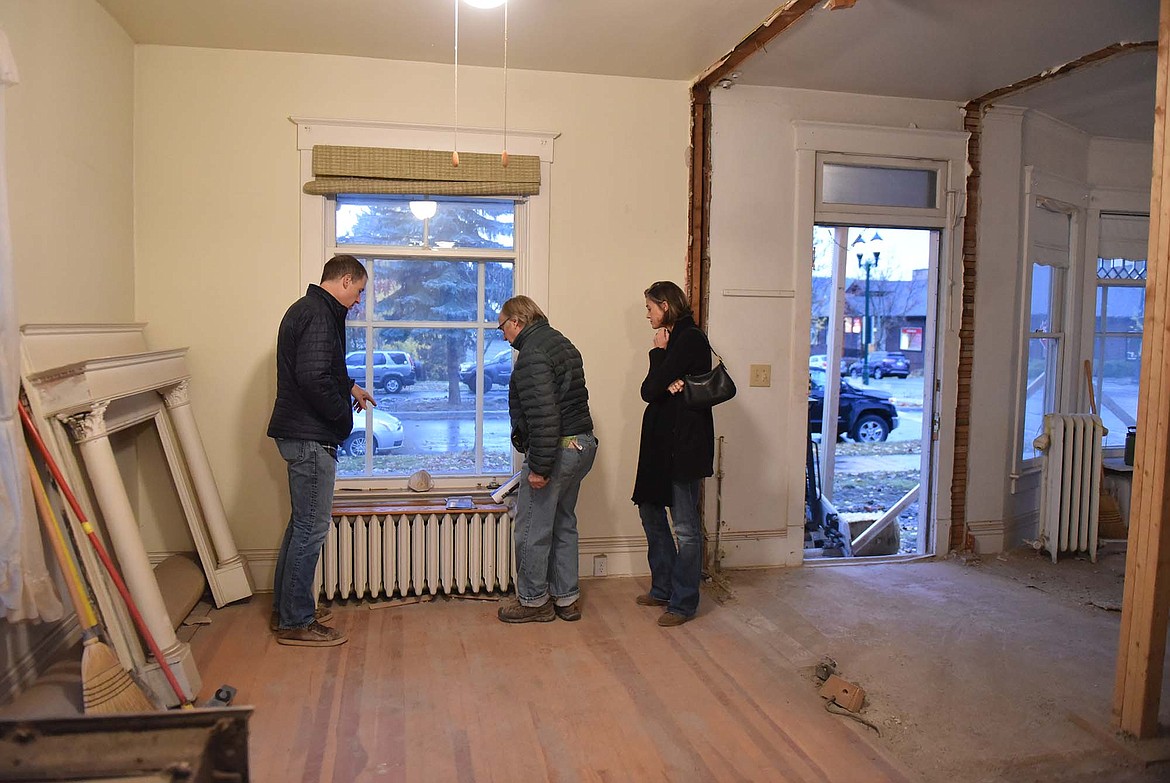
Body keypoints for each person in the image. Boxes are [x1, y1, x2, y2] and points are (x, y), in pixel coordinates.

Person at [266, 254, 375, 646]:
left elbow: (325, 368)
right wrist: (342, 418)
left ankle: (286, 610)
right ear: (345, 281)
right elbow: (313, 378)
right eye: (359, 291)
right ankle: (297, 621)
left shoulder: (314, 310)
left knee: (301, 525)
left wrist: (351, 388)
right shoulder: (317, 314)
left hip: (300, 434)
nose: (359, 301)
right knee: (311, 529)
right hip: (310, 437)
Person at [496, 295, 597, 623]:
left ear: (516, 321)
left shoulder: (532, 355)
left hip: (558, 450)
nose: (503, 335)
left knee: (531, 528)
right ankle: (566, 599)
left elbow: (544, 415)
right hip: (582, 445)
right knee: (564, 522)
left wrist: (539, 467)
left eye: (503, 327)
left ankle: (533, 601)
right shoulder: (561, 343)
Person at [632, 281, 714, 627]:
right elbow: (655, 389)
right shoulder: (674, 340)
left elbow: (649, 389)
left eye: (650, 307)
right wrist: (667, 378)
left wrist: (660, 356)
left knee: (685, 527)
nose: (647, 314)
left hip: (683, 447)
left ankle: (683, 603)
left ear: (665, 305)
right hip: (660, 445)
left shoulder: (689, 338)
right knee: (650, 511)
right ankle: (663, 587)